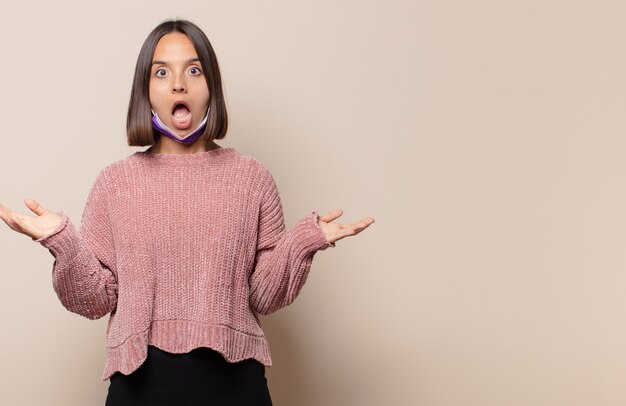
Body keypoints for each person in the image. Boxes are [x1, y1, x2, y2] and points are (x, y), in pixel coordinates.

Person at [0, 19, 374, 405]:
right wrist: (61, 241)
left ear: (210, 86)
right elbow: (94, 300)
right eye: (162, 72)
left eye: (193, 70)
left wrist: (303, 243)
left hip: (235, 385)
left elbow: (264, 296)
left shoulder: (251, 178)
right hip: (139, 385)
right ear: (146, 90)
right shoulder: (115, 183)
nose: (179, 83)